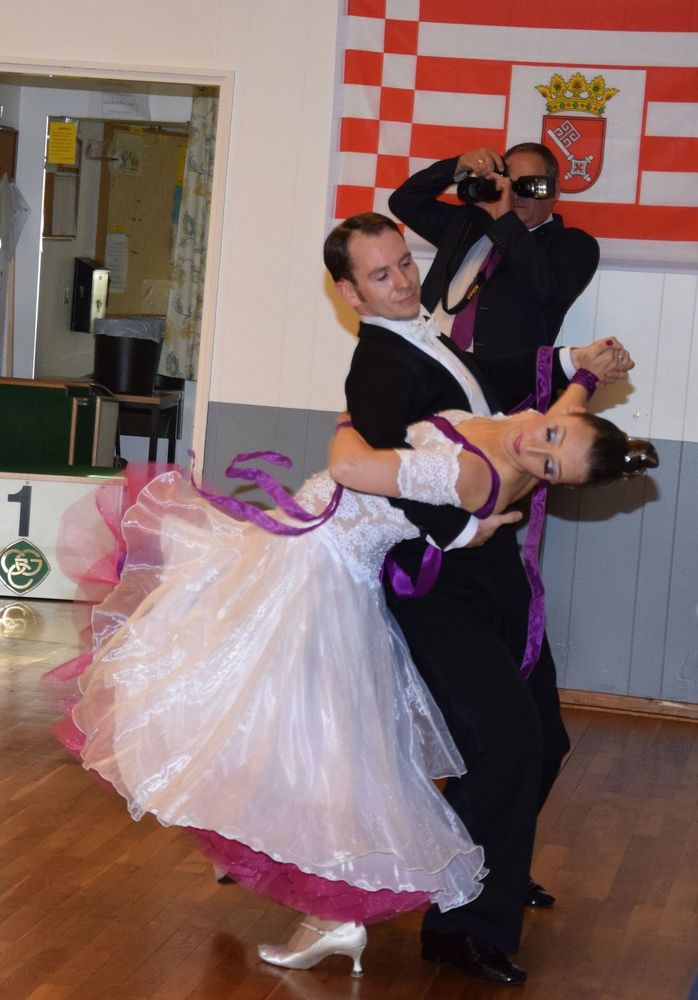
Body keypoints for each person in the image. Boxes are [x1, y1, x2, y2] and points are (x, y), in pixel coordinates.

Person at [48, 343, 653, 981]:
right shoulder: (519, 427)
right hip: (293, 546)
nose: (538, 448)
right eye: (552, 434)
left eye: (551, 465)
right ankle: (259, 851)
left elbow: (350, 464)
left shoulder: (484, 474)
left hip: (323, 572)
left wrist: (350, 420)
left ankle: (331, 910)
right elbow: (557, 426)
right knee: (250, 710)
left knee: (305, 737)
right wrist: (584, 375)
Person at [328, 212, 633, 985]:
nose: (403, 282)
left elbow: (484, 383)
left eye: (404, 263)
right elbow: (379, 469)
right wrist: (461, 530)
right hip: (436, 582)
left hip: (491, 570)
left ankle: (490, 865)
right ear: (350, 293)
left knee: (544, 738)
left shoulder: (425, 337)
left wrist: (572, 362)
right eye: (381, 275)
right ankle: (460, 925)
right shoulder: (377, 367)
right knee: (507, 740)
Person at [388, 142, 600, 356]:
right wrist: (458, 166)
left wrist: (506, 222)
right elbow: (403, 202)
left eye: (529, 185)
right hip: (425, 356)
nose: (516, 194)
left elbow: (548, 287)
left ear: (555, 191)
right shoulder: (468, 223)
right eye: (509, 184)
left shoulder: (574, 244)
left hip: (494, 374)